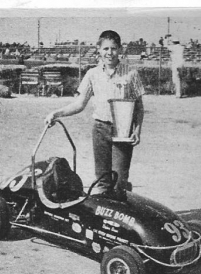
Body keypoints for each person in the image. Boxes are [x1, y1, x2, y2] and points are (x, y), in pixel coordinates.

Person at [45, 30, 145, 200]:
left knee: (120, 180)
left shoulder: (131, 74)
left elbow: (139, 107)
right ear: (98, 49)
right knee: (102, 180)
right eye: (105, 48)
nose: (109, 53)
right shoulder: (92, 74)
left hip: (123, 133)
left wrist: (137, 130)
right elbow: (79, 104)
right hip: (100, 129)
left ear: (120, 50)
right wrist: (57, 113)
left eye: (114, 48)